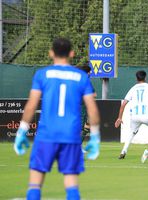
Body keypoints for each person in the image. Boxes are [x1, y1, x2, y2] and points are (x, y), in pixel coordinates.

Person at [13, 38, 101, 200]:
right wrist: (94, 136)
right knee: (71, 185)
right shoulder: (81, 77)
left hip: (46, 135)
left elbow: (31, 106)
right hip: (71, 136)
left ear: (51, 53)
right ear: (72, 54)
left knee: (35, 184)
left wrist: (21, 132)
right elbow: (92, 108)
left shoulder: (42, 74)